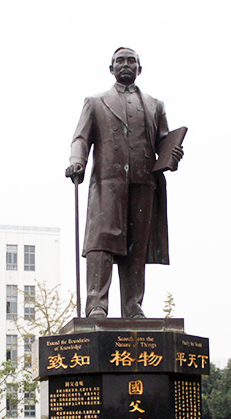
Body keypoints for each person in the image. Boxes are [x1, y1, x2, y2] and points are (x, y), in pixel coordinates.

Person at [65, 47, 183, 318]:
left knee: (136, 247)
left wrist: (172, 154)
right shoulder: (95, 102)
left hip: (144, 183)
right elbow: (80, 138)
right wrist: (77, 162)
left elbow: (163, 141)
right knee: (102, 244)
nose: (126, 65)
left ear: (140, 69)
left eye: (132, 61)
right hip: (108, 184)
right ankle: (97, 304)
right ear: (111, 68)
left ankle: (133, 306)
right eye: (120, 61)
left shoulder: (155, 105)